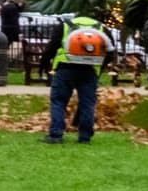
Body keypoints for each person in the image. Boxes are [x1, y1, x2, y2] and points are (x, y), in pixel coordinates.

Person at [45, 10, 115, 145]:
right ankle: (85, 137)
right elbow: (111, 51)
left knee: (59, 101)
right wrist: (100, 68)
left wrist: (45, 65)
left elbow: (51, 47)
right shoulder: (102, 28)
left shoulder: (65, 26)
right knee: (87, 104)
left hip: (65, 68)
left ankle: (56, 135)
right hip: (89, 70)